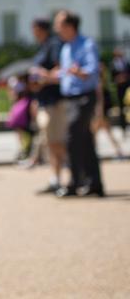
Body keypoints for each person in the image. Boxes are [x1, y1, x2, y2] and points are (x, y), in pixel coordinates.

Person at [52, 10, 105, 197]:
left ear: (69, 26)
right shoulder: (66, 48)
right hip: (71, 99)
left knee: (72, 138)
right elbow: (64, 73)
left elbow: (91, 70)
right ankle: (95, 183)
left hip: (84, 97)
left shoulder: (86, 44)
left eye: (59, 24)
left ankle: (75, 182)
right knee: (85, 140)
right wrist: (47, 76)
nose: (56, 28)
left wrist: (78, 71)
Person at [27, 18, 67, 193]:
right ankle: (56, 178)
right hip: (45, 100)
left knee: (57, 141)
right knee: (51, 142)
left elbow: (60, 70)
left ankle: (67, 177)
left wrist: (42, 76)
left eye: (34, 28)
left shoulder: (54, 44)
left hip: (55, 100)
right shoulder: (44, 46)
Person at [93, 62, 124, 158]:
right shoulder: (101, 81)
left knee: (94, 134)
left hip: (99, 112)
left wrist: (99, 112)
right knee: (106, 132)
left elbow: (100, 99)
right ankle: (118, 151)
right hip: (100, 112)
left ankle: (93, 154)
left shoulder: (97, 82)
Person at [110, 47, 130, 135]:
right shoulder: (113, 64)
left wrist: (125, 78)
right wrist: (118, 79)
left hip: (128, 87)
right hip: (120, 88)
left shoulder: (126, 62)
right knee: (122, 109)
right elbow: (112, 78)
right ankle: (123, 127)